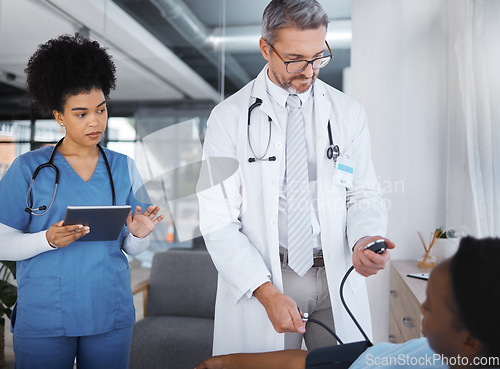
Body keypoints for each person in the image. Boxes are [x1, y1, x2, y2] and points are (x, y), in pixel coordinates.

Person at [197, 0, 395, 356]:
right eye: (294, 59)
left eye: (318, 56)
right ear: (265, 48)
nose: (308, 71)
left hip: (337, 271)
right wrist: (266, 291)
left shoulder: (347, 113)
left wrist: (364, 239)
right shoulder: (226, 119)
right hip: (271, 278)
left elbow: (363, 192)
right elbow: (217, 221)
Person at [0, 34, 163, 369]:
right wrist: (46, 239)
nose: (95, 121)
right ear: (59, 116)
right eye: (81, 113)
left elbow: (132, 248)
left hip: (109, 309)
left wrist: (141, 233)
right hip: (45, 314)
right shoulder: (28, 168)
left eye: (101, 110)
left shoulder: (123, 166)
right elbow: (2, 244)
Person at [196, 236, 500, 369]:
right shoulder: (420, 353)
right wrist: (224, 363)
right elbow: (315, 363)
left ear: (470, 340)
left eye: (430, 306)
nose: (421, 308)